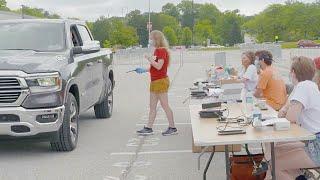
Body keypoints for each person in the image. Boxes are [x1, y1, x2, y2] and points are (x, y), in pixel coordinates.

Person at [265, 56, 320, 180]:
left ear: (293, 72)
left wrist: (286, 110)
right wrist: (286, 109)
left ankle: (298, 176)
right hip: (312, 141)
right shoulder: (310, 86)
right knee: (276, 149)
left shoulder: (303, 87)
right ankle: (300, 176)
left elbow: (290, 118)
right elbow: (283, 112)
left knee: (274, 164)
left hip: (315, 146)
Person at [135, 30, 177, 136]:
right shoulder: (157, 50)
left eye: (151, 38)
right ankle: (148, 128)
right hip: (155, 81)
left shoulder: (161, 51)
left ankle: (172, 127)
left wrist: (149, 58)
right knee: (152, 106)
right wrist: (145, 70)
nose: (149, 40)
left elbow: (158, 66)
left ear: (156, 39)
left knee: (164, 105)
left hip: (160, 81)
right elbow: (156, 67)